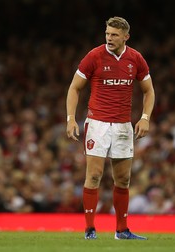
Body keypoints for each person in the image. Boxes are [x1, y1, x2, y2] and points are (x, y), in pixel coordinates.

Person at [66, 16, 155, 240]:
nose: (109, 38)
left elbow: (149, 91)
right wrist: (70, 118)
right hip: (97, 124)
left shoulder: (135, 59)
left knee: (123, 180)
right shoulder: (94, 56)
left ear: (126, 36)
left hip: (123, 125)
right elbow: (74, 88)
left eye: (114, 35)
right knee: (94, 175)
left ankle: (122, 230)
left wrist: (145, 117)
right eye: (107, 34)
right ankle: (89, 229)